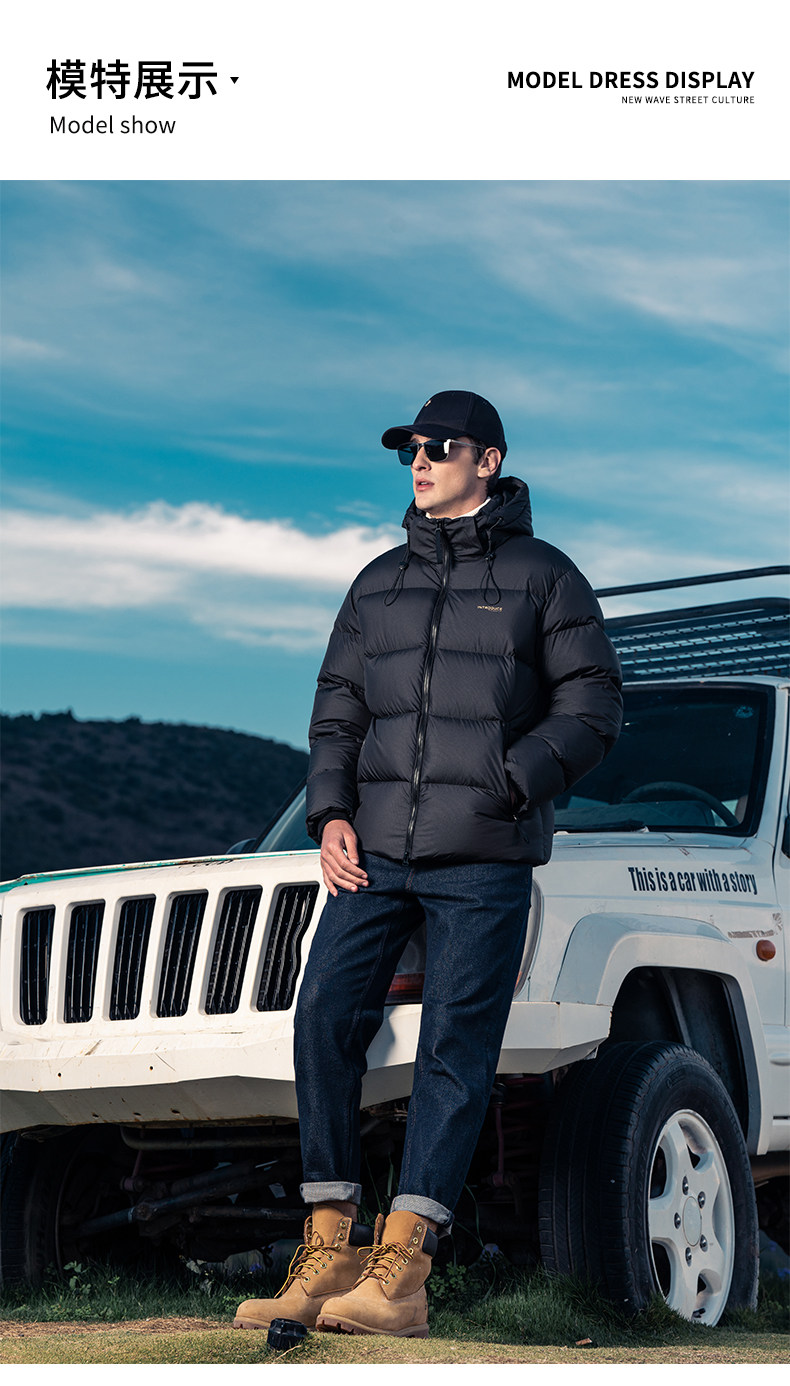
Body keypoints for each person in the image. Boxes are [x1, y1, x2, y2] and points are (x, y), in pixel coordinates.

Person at [234, 390, 623, 1338]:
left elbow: (594, 704)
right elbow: (338, 710)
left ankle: (403, 1271)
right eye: (409, 448)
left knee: (455, 1047)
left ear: (487, 460)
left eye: (438, 446)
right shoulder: (376, 583)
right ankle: (329, 1248)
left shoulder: (544, 575)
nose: (419, 460)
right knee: (323, 1017)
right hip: (373, 855)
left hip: (482, 857)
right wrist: (330, 813)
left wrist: (510, 780)